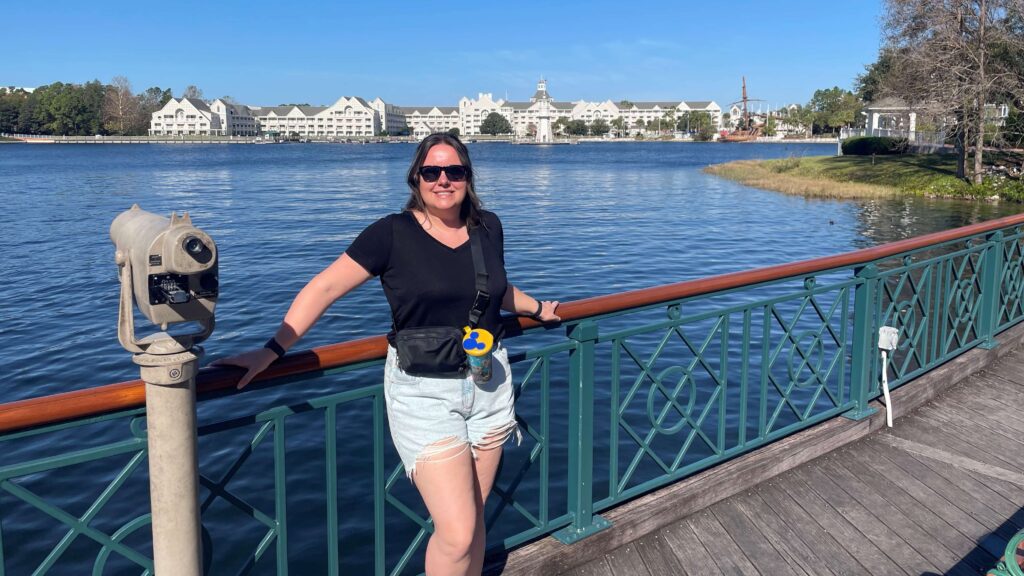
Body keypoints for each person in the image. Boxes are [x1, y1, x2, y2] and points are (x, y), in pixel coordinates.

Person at [213, 132, 559, 576]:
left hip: (489, 382)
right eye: (432, 172)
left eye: (454, 171)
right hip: (423, 392)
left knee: (473, 526)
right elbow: (325, 287)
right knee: (456, 532)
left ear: (468, 178)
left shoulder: (487, 225)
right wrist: (272, 349)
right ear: (415, 177)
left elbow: (495, 288)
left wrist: (537, 308)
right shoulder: (390, 234)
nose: (443, 181)